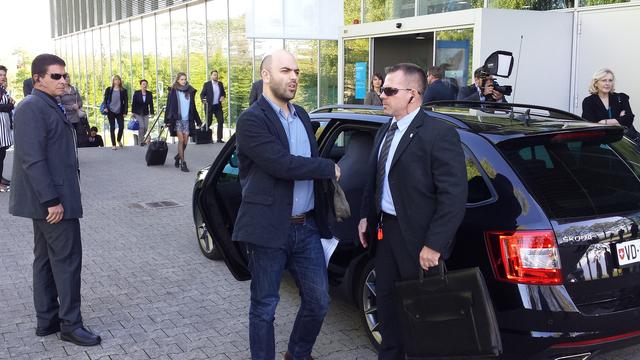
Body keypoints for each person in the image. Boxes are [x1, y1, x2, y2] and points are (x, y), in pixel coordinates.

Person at [233, 49, 341, 360]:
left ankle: (297, 353)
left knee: (319, 300)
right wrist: (327, 167)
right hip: (268, 229)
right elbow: (283, 165)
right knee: (265, 306)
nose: (293, 77)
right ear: (266, 76)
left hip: (305, 227)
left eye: (296, 71)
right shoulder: (251, 120)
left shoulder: (303, 116)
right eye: (285, 70)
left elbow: (303, 162)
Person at [357, 63, 467, 359]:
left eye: (390, 90)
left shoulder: (438, 133)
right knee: (389, 311)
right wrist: (367, 216)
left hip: (421, 241)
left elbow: (454, 196)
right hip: (386, 234)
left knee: (423, 319)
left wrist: (434, 244)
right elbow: (375, 178)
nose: (382, 95)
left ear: (413, 95)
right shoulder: (385, 130)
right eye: (382, 90)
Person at [9, 53, 101, 346]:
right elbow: (32, 160)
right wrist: (52, 201)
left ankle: (47, 320)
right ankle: (71, 325)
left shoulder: (51, 104)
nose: (64, 81)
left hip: (53, 198)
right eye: (56, 76)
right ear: (38, 79)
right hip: (53, 201)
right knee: (67, 261)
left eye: (65, 76)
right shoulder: (32, 107)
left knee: (46, 260)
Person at [165, 72, 201, 172]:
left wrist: (198, 120)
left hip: (187, 120)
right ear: (177, 80)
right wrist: (167, 120)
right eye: (182, 79)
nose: (184, 81)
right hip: (177, 119)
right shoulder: (173, 90)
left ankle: (177, 157)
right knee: (181, 140)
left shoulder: (190, 90)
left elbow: (193, 107)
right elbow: (169, 105)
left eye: (185, 79)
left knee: (185, 141)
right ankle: (183, 163)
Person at [59, 79, 89, 147]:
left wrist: (78, 105)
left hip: (77, 116)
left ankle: (78, 150)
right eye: (65, 78)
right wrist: (71, 107)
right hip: (67, 117)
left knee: (79, 135)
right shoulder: (60, 90)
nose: (67, 79)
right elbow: (59, 105)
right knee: (69, 136)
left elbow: (80, 101)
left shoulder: (74, 89)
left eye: (68, 78)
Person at [102, 75, 128, 150]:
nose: (117, 81)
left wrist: (125, 112)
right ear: (113, 81)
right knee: (112, 127)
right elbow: (105, 100)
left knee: (121, 126)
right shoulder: (109, 89)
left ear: (120, 81)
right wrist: (106, 108)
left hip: (120, 111)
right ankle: (113, 144)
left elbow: (126, 102)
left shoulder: (123, 90)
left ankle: (119, 139)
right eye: (115, 80)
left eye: (118, 79)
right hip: (111, 111)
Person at [200, 70, 226, 143]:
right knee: (209, 121)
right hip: (209, 106)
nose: (216, 76)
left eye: (217, 75)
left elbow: (223, 93)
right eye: (214, 75)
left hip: (218, 106)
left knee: (221, 121)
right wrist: (203, 100)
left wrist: (223, 96)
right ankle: (203, 135)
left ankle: (219, 139)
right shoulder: (207, 84)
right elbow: (202, 94)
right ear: (211, 76)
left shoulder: (220, 84)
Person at [0, 65, 14, 192]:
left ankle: (0, 178)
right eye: (0, 75)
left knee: (2, 153)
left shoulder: (2, 89)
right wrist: (9, 106)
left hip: (3, 125)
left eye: (4, 75)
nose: (3, 77)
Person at [131, 79, 155, 146]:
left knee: (145, 127)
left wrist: (152, 112)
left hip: (146, 113)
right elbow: (134, 103)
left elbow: (151, 104)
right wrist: (133, 112)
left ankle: (140, 138)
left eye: (146, 84)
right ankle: (141, 141)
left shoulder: (149, 94)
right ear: (141, 85)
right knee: (141, 126)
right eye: (143, 84)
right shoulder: (137, 93)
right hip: (138, 112)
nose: (144, 85)